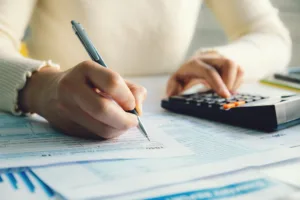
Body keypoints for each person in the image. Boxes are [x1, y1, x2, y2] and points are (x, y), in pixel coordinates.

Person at [0, 0, 291, 139]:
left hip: (168, 115)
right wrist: (42, 87)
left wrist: (224, 58)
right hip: (45, 123)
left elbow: (270, 35)